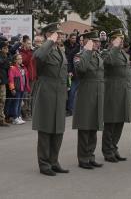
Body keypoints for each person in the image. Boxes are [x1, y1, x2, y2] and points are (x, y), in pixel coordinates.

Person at [32, 23, 69, 176]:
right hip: (46, 93)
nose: (60, 36)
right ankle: (44, 164)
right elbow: (38, 57)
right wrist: (49, 41)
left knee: (58, 130)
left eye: (61, 33)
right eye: (57, 33)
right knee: (46, 130)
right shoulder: (43, 49)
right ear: (49, 34)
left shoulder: (60, 50)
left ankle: (54, 161)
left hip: (59, 94)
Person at [72, 31, 104, 170]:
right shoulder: (79, 56)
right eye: (94, 41)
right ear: (87, 42)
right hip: (86, 94)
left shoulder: (98, 56)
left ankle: (90, 156)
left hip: (98, 94)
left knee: (94, 127)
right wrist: (87, 50)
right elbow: (81, 70)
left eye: (98, 41)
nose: (98, 43)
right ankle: (83, 158)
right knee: (85, 127)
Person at [101, 29, 131, 163]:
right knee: (111, 122)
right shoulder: (106, 52)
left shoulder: (124, 54)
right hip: (112, 91)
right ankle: (107, 151)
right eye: (118, 39)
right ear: (111, 41)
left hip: (124, 91)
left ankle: (114, 148)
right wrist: (114, 47)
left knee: (120, 121)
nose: (121, 42)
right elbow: (108, 62)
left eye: (122, 40)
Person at [8, 54, 30, 125]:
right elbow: (11, 79)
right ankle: (15, 118)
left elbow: (25, 77)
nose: (21, 60)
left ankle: (18, 116)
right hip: (17, 89)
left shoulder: (23, 67)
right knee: (16, 103)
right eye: (19, 59)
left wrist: (27, 86)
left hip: (22, 88)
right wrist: (12, 88)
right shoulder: (12, 68)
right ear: (15, 60)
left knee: (20, 103)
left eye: (21, 58)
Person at [0, 40, 10, 127]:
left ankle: (1, 119)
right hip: (1, 80)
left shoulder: (6, 56)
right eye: (5, 48)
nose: (7, 49)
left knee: (2, 100)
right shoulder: (2, 57)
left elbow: (7, 67)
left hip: (3, 81)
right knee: (1, 100)